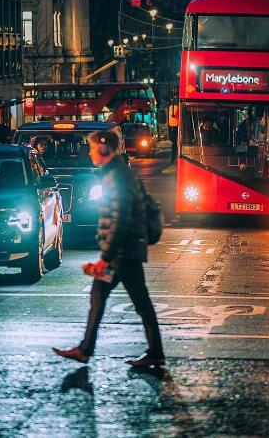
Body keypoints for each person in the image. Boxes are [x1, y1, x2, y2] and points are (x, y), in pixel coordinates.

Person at [53, 129, 164, 367]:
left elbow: (120, 220)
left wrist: (105, 258)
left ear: (104, 149)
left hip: (123, 254)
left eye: (93, 147)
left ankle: (154, 352)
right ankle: (85, 349)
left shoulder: (116, 178)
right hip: (124, 251)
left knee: (139, 302)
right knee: (99, 295)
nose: (90, 152)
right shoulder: (117, 174)